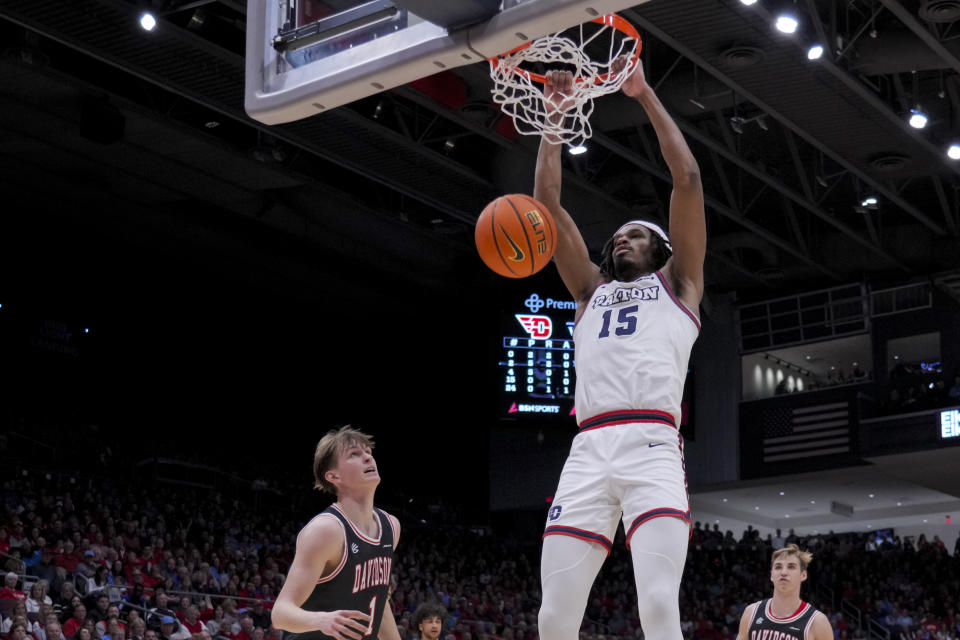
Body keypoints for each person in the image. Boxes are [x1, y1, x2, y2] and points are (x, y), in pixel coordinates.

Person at [533, 57, 705, 640]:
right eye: (617, 237)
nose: (620, 240)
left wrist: (643, 94)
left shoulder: (679, 285)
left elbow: (687, 180)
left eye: (634, 234)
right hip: (587, 450)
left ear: (659, 247)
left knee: (658, 608)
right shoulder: (589, 292)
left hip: (652, 445)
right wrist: (554, 120)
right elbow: (546, 208)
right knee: (553, 618)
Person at [271, 427, 401, 640]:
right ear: (333, 476)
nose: (367, 457)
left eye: (368, 452)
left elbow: (379, 601)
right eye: (354, 454)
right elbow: (280, 613)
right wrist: (320, 620)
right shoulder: (326, 530)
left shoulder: (391, 527)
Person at [735, 544, 832, 640]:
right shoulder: (751, 612)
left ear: (803, 575)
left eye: (791, 567)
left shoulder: (817, 622)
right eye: (778, 567)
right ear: (772, 575)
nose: (783, 572)